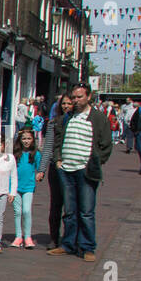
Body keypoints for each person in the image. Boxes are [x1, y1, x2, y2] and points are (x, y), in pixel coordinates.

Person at [47, 82, 111, 262]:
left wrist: (95, 163)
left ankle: (87, 247)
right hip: (66, 170)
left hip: (85, 171)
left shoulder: (98, 118)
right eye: (73, 97)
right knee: (69, 210)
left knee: (86, 211)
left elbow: (106, 144)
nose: (76, 100)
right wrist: (58, 160)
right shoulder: (67, 118)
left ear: (88, 97)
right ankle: (68, 244)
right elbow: (58, 141)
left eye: (79, 97)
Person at [40, 93, 73, 249]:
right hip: (55, 167)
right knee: (55, 204)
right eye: (63, 104)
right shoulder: (53, 123)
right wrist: (42, 169)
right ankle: (54, 238)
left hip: (72, 167)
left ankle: (69, 239)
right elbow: (48, 147)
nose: (66, 106)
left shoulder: (77, 122)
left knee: (71, 205)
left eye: (69, 103)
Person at [11, 127, 41, 249]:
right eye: (24, 138)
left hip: (29, 187)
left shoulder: (36, 154)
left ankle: (27, 237)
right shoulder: (15, 154)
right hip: (15, 187)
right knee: (17, 212)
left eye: (29, 138)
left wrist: (40, 174)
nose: (26, 141)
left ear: (33, 139)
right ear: (20, 139)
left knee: (26, 211)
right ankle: (18, 236)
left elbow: (40, 168)